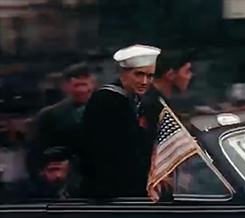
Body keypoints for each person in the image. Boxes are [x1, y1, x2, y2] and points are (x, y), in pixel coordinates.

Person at [79, 44, 160, 199]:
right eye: (139, 74)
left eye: (149, 76)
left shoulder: (138, 102)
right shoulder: (106, 101)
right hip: (109, 194)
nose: (144, 81)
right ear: (123, 73)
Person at [28, 63, 94, 182]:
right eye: (77, 85)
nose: (82, 90)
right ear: (66, 87)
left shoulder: (109, 112)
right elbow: (37, 152)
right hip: (64, 180)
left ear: (93, 85)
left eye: (85, 84)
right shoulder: (49, 116)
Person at [142, 50, 195, 146]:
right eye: (187, 71)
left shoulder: (160, 100)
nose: (190, 76)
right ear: (171, 75)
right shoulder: (149, 105)